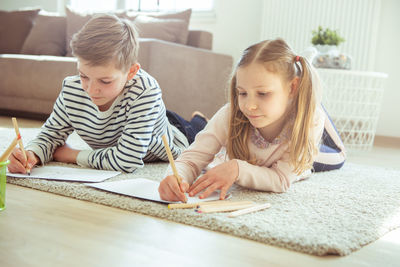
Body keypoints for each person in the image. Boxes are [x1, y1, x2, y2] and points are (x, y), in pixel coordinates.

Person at [7, 14, 207, 174]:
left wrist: (71, 155)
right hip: (137, 118)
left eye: (105, 81)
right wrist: (32, 154)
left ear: (131, 72)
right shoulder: (72, 89)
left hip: (173, 135)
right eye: (84, 75)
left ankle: (199, 119)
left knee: (201, 131)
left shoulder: (146, 90)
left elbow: (127, 161)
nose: (91, 90)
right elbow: (50, 136)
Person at [158, 38, 346, 202]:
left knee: (338, 157)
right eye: (243, 93)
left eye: (263, 93)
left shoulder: (310, 119)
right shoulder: (232, 113)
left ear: (292, 88)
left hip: (302, 122)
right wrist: (176, 177)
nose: (249, 106)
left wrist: (238, 169)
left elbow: (281, 180)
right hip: (279, 128)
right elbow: (191, 159)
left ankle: (305, 85)